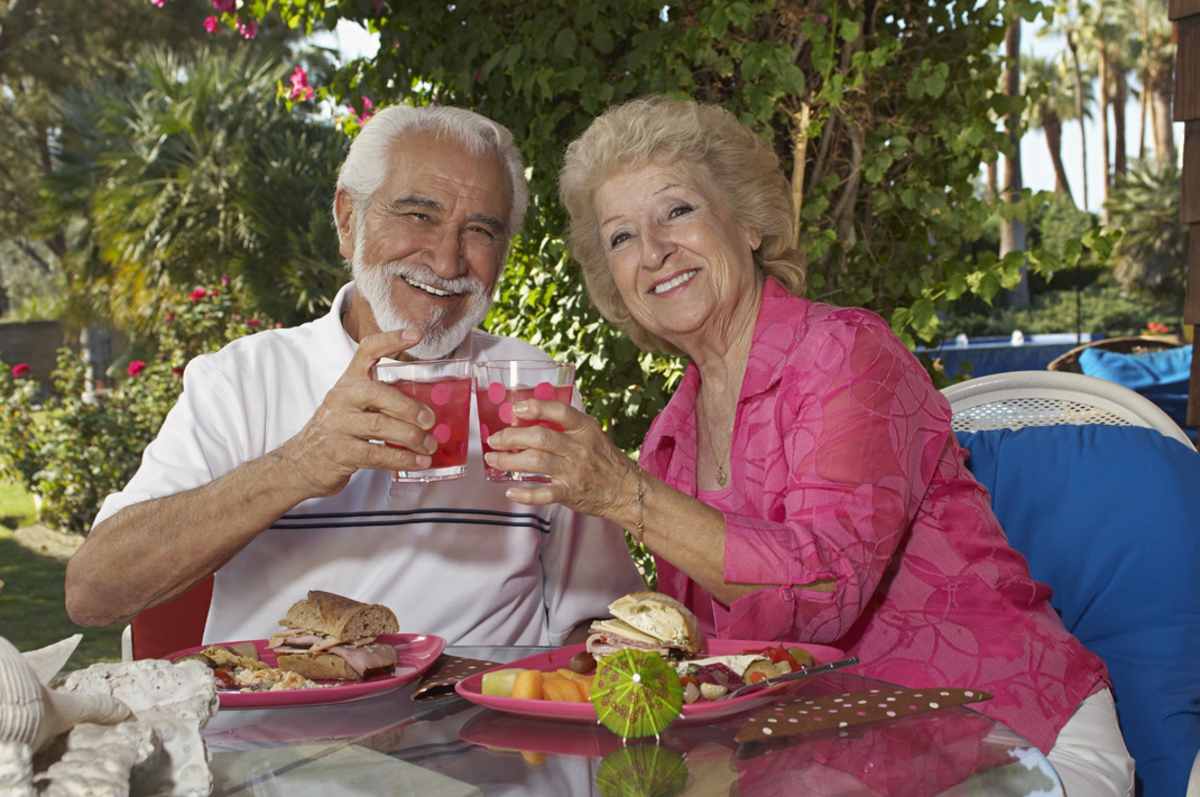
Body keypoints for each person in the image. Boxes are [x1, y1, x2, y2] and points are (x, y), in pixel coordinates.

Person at [484, 96, 1134, 795]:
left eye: (677, 210)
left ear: (749, 223)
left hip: (1003, 730)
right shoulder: (670, 439)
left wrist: (621, 492)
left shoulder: (846, 352)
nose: (652, 250)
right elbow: (723, 660)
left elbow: (824, 587)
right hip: (828, 758)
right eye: (620, 236)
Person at [64, 105, 645, 647]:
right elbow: (93, 593)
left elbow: (596, 618)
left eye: (481, 231)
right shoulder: (243, 380)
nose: (447, 261)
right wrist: (297, 467)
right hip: (279, 746)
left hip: (484, 744)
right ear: (348, 220)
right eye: (419, 215)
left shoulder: (532, 387)